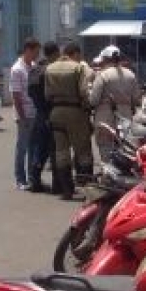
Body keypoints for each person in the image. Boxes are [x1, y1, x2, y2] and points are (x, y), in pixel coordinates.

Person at [45, 42, 94, 201]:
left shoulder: (50, 68)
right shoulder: (77, 67)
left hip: (56, 112)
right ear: (76, 53)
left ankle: (66, 190)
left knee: (61, 152)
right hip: (75, 112)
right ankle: (87, 188)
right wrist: (87, 108)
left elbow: (47, 94)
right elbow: (83, 91)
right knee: (83, 151)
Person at [88, 45, 141, 163]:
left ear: (106, 59)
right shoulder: (130, 75)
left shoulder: (102, 75)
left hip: (105, 118)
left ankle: (108, 176)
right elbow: (137, 100)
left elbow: (93, 100)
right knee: (123, 149)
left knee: (106, 149)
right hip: (125, 118)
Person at [27, 42, 61, 193]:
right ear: (54, 54)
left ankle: (35, 181)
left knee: (39, 149)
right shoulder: (51, 70)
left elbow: (30, 92)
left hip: (39, 113)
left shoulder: (34, 69)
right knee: (54, 149)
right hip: (51, 111)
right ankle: (57, 184)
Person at [10, 39, 42, 191]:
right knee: (22, 148)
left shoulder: (34, 67)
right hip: (24, 115)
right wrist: (22, 117)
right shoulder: (17, 69)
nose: (37, 55)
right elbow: (16, 95)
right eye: (36, 51)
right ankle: (20, 179)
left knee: (33, 148)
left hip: (36, 112)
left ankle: (31, 178)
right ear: (28, 50)